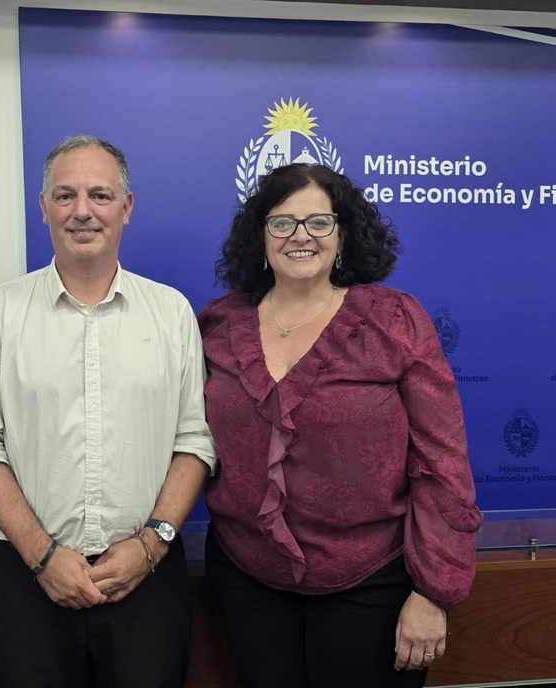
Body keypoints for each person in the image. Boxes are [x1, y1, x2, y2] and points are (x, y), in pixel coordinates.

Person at [199, 163, 482, 688]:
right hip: (247, 579)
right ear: (260, 236)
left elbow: (442, 462)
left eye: (319, 222)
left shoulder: (394, 321)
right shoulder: (216, 325)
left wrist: (433, 591)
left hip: (371, 581)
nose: (300, 235)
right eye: (282, 222)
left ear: (343, 235)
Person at [0, 135, 217, 687]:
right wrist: (43, 556)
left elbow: (194, 441)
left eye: (100, 194)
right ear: (43, 207)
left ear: (127, 207)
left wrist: (151, 544)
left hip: (147, 580)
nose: (82, 211)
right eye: (65, 195)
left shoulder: (170, 313)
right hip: (26, 580)